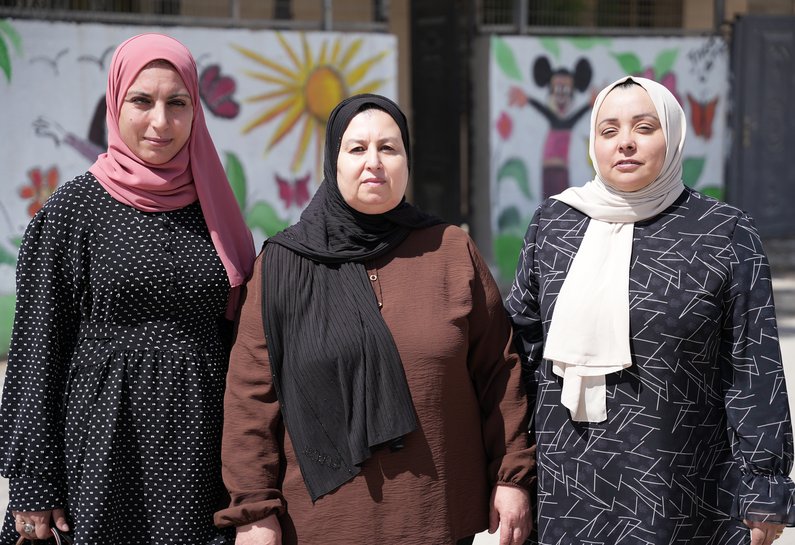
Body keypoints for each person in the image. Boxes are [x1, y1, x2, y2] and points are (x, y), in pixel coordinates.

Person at [214, 93, 535, 545]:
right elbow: (250, 399)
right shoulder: (282, 265)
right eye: (357, 148)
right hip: (320, 527)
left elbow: (500, 374)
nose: (374, 163)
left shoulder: (449, 251)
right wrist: (252, 512)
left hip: (439, 520)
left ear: (406, 161)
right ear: (333, 160)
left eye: (389, 148)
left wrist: (512, 477)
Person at [505, 75, 795, 545]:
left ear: (673, 135)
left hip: (682, 489)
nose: (625, 143)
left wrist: (764, 489)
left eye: (644, 127)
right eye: (609, 130)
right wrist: (510, 474)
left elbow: (754, 368)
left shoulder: (723, 233)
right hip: (566, 487)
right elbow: (518, 357)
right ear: (593, 144)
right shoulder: (554, 225)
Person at [0, 33, 255, 544]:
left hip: (199, 453)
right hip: (99, 450)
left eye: (177, 103)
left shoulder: (214, 207)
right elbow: (36, 351)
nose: (160, 122)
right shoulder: (71, 213)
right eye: (142, 101)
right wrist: (32, 483)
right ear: (116, 103)